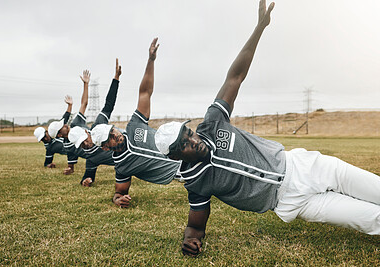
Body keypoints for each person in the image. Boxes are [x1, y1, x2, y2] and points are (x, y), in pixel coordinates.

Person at [155, 0, 380, 257]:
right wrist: (190, 241)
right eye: (183, 144)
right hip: (290, 202)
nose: (192, 140)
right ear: (175, 156)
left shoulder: (213, 122)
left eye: (188, 133)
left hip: (303, 166)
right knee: (371, 219)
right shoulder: (196, 182)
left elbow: (235, 77)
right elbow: (195, 226)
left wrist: (259, 28)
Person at [69, 38, 181, 208]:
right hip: (185, 173)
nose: (116, 134)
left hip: (189, 148)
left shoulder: (133, 125)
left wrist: (150, 61)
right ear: (105, 147)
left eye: (113, 131)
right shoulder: (121, 166)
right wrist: (117, 199)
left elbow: (144, 92)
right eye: (110, 138)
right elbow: (118, 192)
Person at [47, 70, 91, 174]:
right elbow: (71, 161)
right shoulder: (67, 146)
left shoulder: (76, 123)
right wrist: (70, 169)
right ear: (59, 135)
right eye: (61, 126)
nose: (65, 124)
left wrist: (85, 84)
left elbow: (84, 104)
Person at [33, 95, 78, 169]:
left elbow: (66, 117)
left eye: (45, 137)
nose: (45, 139)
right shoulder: (49, 148)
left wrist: (70, 105)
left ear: (47, 132)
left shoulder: (56, 131)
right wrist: (49, 165)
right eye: (42, 139)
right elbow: (47, 162)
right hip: (73, 151)